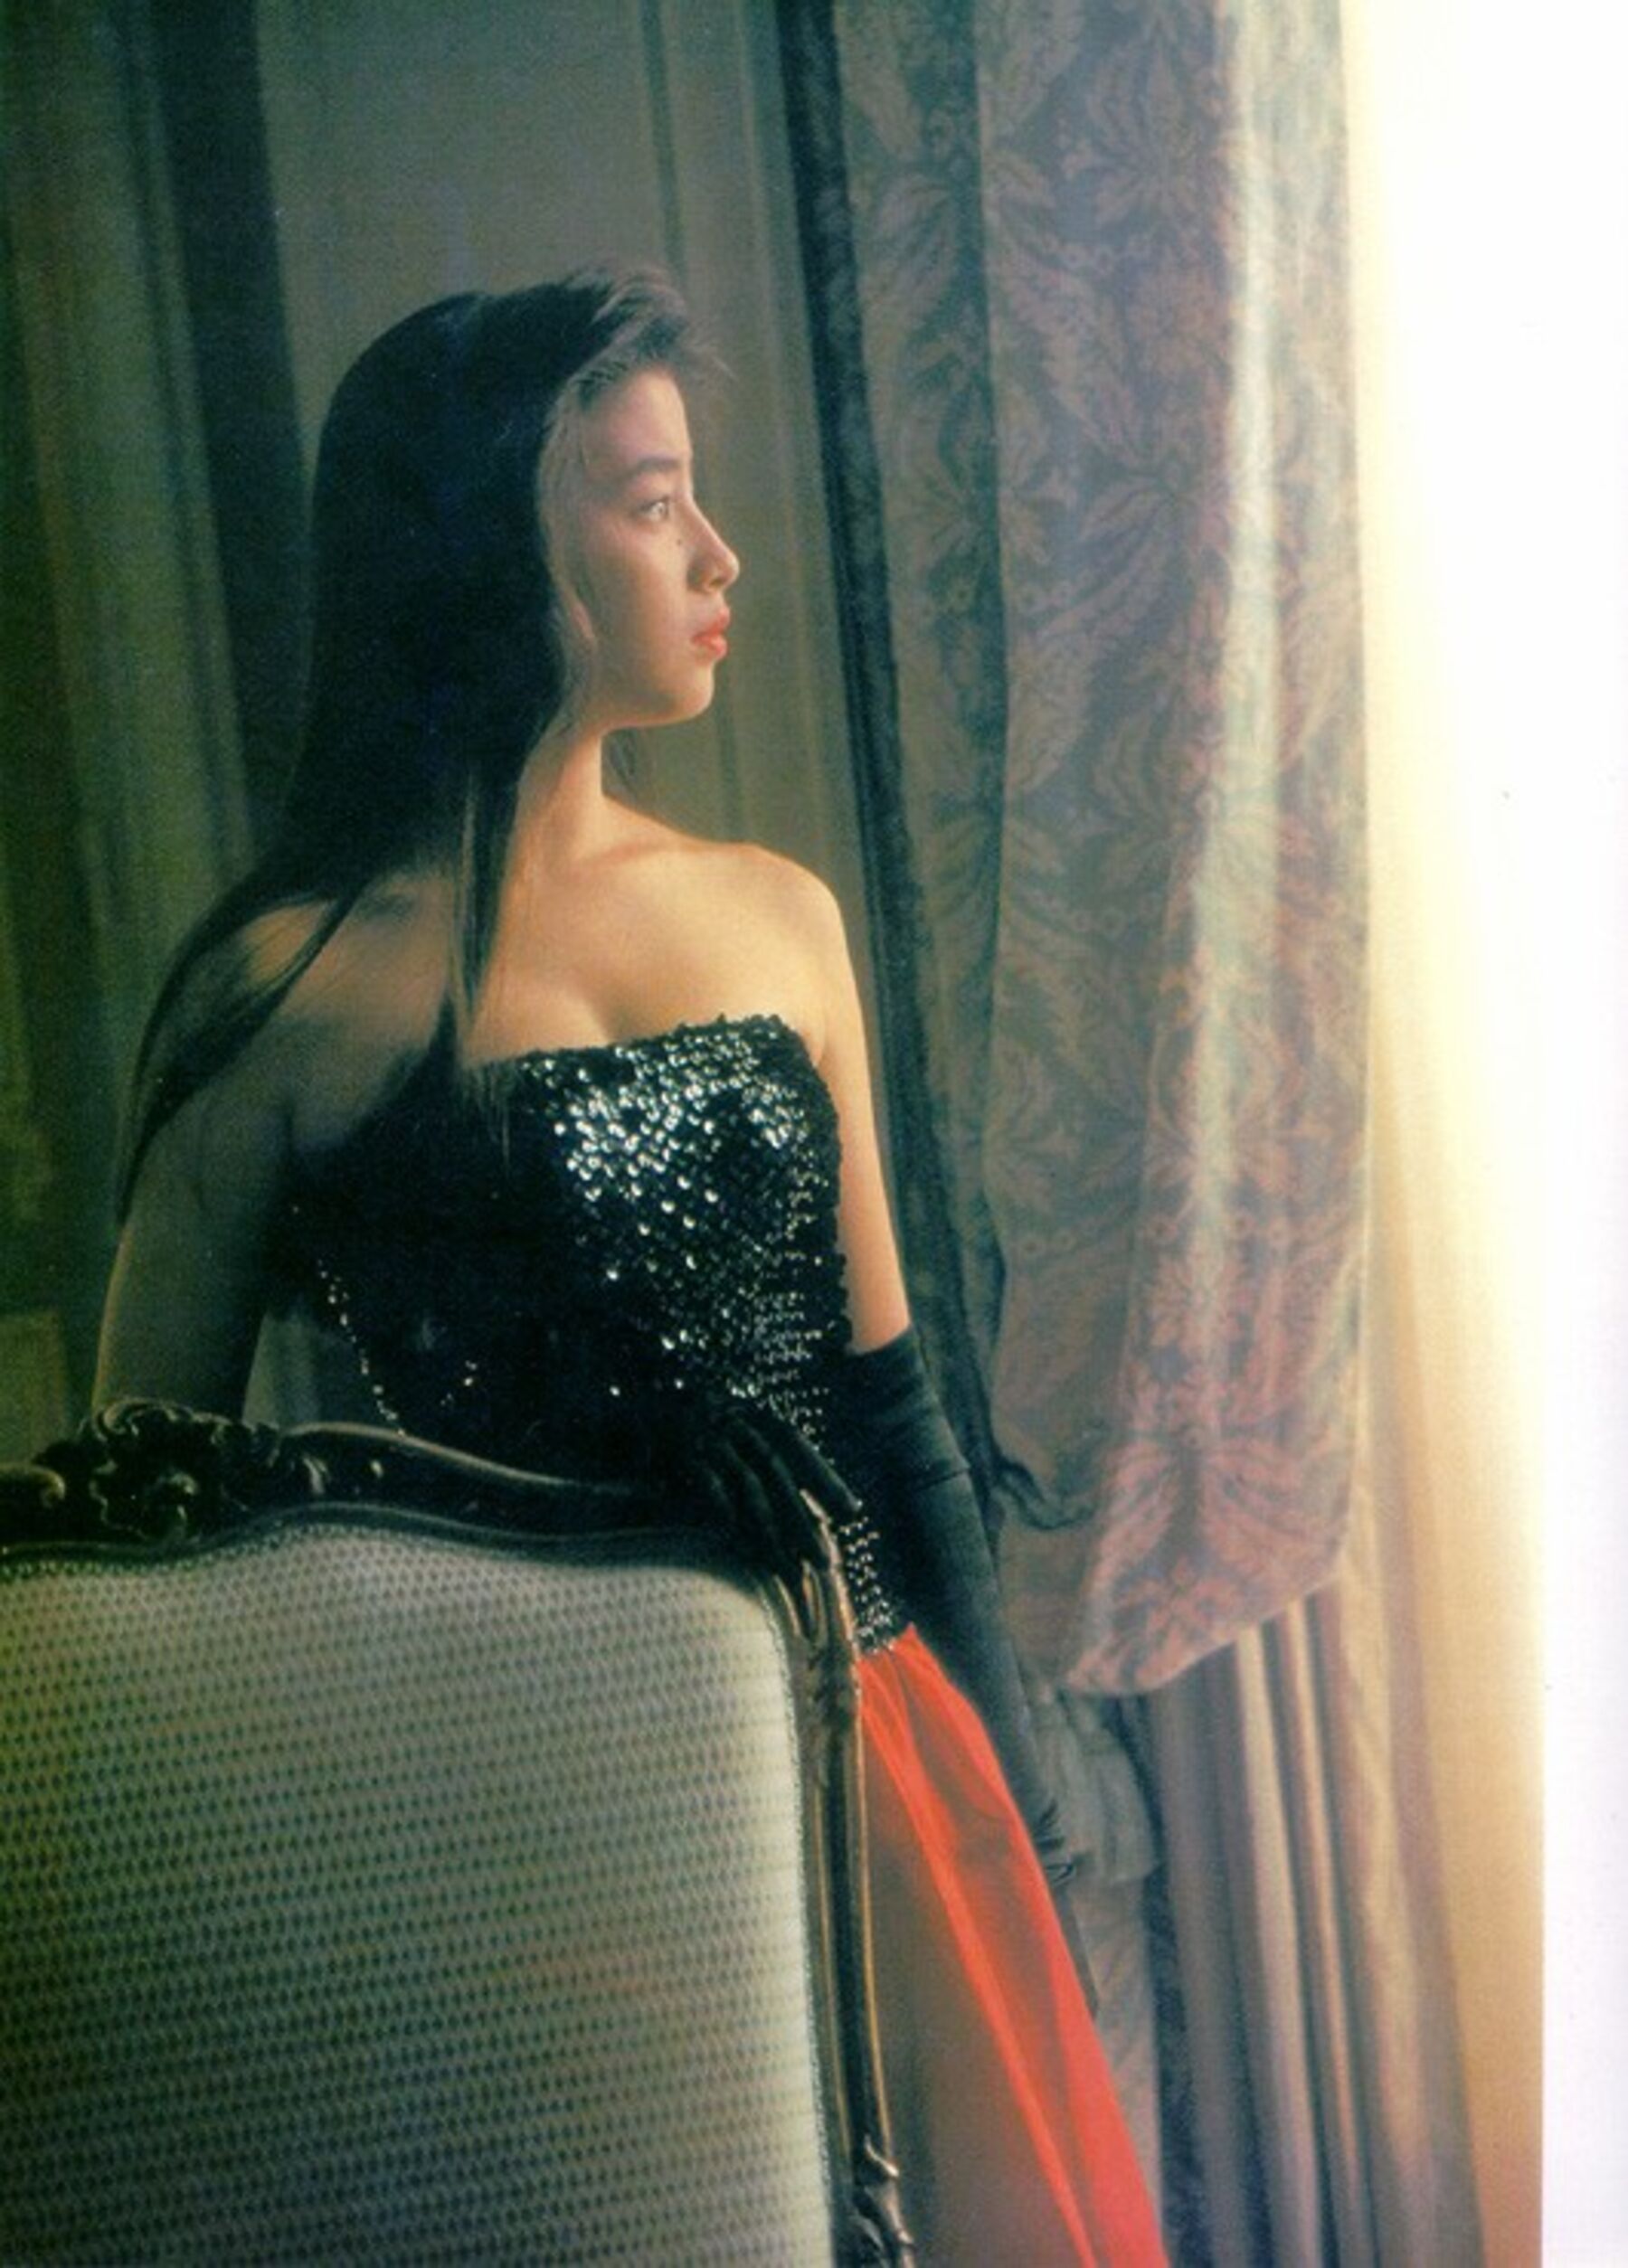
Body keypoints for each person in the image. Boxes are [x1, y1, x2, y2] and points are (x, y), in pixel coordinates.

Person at [96, 272, 1164, 2263]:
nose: (717, 554)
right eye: (655, 501)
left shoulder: (776, 916)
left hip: (873, 1750)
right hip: (536, 1812)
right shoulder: (283, 996)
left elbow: (893, 1409)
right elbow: (139, 1536)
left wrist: (1005, 1783)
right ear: (497, 542)